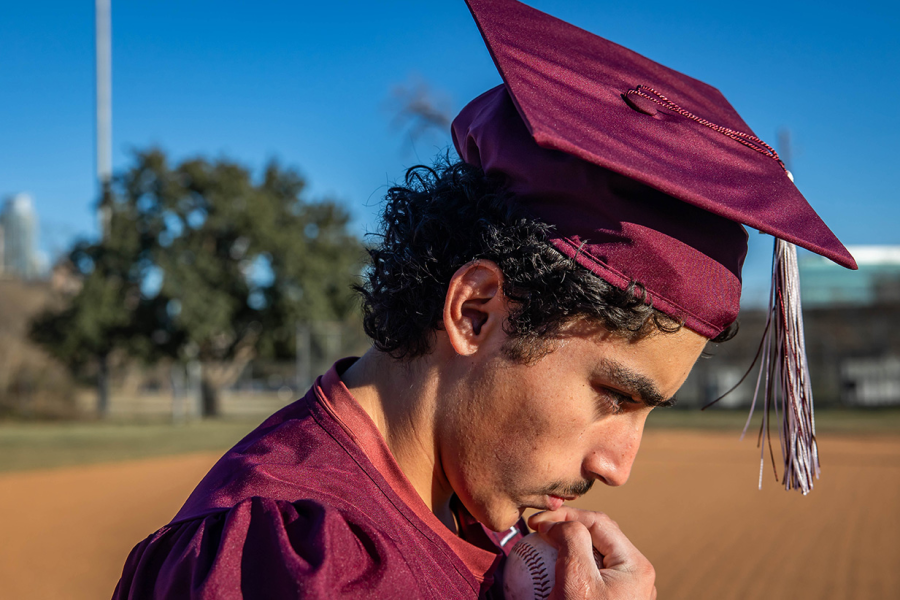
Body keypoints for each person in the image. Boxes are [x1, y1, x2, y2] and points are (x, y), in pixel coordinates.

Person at [113, 0, 856, 598]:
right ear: (474, 311)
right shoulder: (284, 564)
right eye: (613, 397)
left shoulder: (463, 516)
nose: (621, 465)